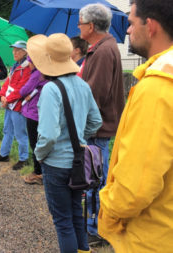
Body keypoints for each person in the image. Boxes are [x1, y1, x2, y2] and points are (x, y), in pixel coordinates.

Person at [98, 1, 173, 252]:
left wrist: (107, 213)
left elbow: (135, 188)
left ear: (150, 26)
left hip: (151, 238)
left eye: (130, 23)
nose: (127, 31)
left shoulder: (157, 88)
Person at [30, 33, 102, 253]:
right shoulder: (82, 85)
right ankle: (83, 250)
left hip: (56, 165)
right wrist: (79, 137)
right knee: (75, 214)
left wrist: (39, 155)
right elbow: (96, 121)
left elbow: (49, 135)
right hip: (79, 163)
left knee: (62, 222)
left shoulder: (51, 89)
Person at [78, 3, 125, 243]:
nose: (78, 27)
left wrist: (79, 122)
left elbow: (95, 94)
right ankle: (95, 224)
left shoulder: (103, 51)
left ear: (91, 26)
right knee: (95, 176)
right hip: (98, 126)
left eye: (81, 23)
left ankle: (98, 228)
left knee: (97, 178)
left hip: (97, 127)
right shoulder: (100, 48)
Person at [0, 41, 31, 171]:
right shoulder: (15, 66)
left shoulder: (27, 68)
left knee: (20, 133)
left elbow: (21, 89)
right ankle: (4, 154)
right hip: (9, 104)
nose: (14, 53)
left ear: (25, 52)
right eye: (13, 50)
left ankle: (23, 158)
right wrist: (2, 96)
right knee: (7, 130)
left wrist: (7, 99)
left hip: (18, 106)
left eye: (18, 50)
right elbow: (7, 83)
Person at [20, 56, 47, 185]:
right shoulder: (47, 72)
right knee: (40, 142)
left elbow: (23, 90)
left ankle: (38, 172)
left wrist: (26, 91)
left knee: (34, 143)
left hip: (34, 113)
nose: (29, 65)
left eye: (30, 62)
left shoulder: (37, 74)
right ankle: (42, 171)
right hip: (41, 113)